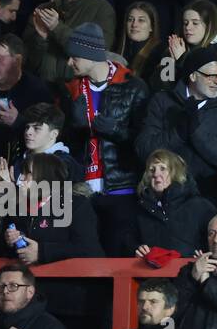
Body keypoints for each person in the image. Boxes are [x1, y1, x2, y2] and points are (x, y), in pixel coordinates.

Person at [61, 22, 151, 254]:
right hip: (83, 191)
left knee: (116, 256)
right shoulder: (71, 90)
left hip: (121, 189)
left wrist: (117, 131)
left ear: (90, 55)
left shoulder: (133, 87)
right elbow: (64, 144)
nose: (70, 63)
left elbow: (146, 142)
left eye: (74, 57)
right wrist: (75, 127)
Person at [135, 44, 217, 201]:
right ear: (192, 76)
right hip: (163, 194)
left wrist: (195, 131)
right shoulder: (162, 102)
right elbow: (144, 149)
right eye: (211, 76)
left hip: (206, 197)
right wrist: (179, 133)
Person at [131, 149, 217, 259]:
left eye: (163, 168)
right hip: (152, 273)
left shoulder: (200, 206)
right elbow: (129, 241)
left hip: (191, 272)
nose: (156, 174)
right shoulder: (140, 209)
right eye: (152, 170)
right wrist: (137, 249)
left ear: (175, 171)